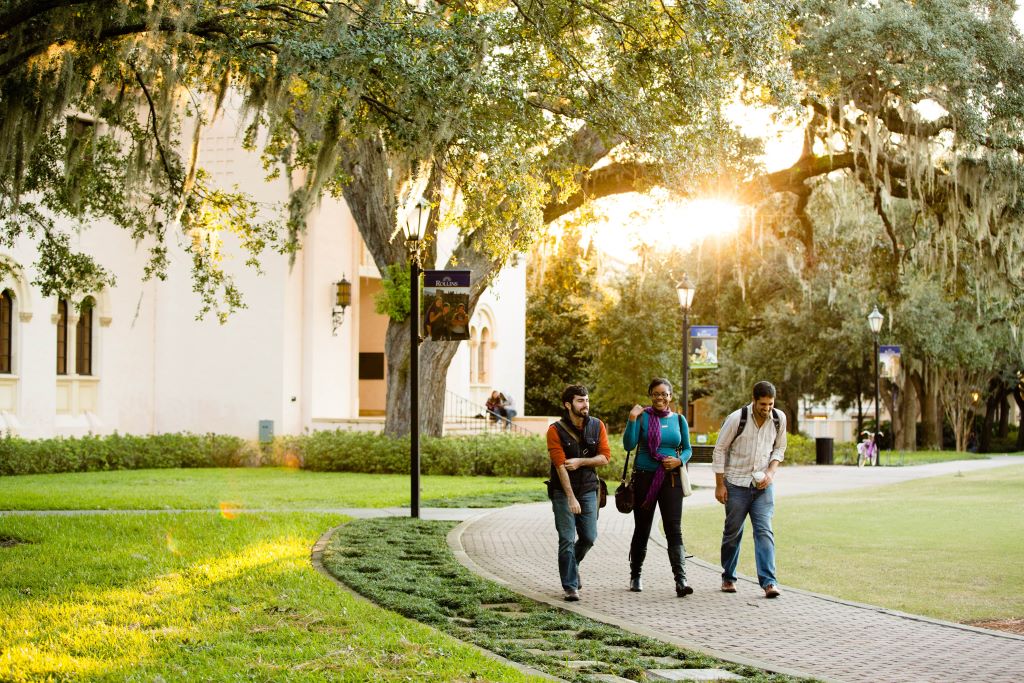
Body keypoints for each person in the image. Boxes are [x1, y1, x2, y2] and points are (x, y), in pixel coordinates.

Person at [712, 380, 788, 599]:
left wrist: (771, 474)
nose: (766, 409)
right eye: (762, 404)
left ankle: (769, 582)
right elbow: (720, 450)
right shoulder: (737, 419)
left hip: (763, 486)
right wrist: (719, 485)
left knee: (764, 531)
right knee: (733, 532)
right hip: (736, 484)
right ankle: (728, 577)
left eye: (770, 404)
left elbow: (779, 449)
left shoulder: (778, 418)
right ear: (754, 400)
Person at [622, 377, 693, 596]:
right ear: (650, 395)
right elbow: (629, 445)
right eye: (656, 394)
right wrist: (632, 419)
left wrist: (679, 461)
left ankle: (681, 580)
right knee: (642, 528)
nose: (660, 398)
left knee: (674, 529)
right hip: (644, 478)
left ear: (671, 396)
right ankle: (636, 574)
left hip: (671, 481)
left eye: (664, 394)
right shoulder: (642, 417)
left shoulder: (679, 420)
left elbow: (688, 449)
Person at [546, 384, 611, 601]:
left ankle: (572, 566)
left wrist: (581, 461)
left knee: (589, 537)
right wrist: (571, 497)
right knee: (566, 538)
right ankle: (570, 586)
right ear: (568, 404)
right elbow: (559, 466)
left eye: (587, 400)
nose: (585, 405)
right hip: (563, 491)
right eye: (580, 401)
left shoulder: (597, 426)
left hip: (589, 488)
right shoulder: (555, 430)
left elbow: (605, 457)